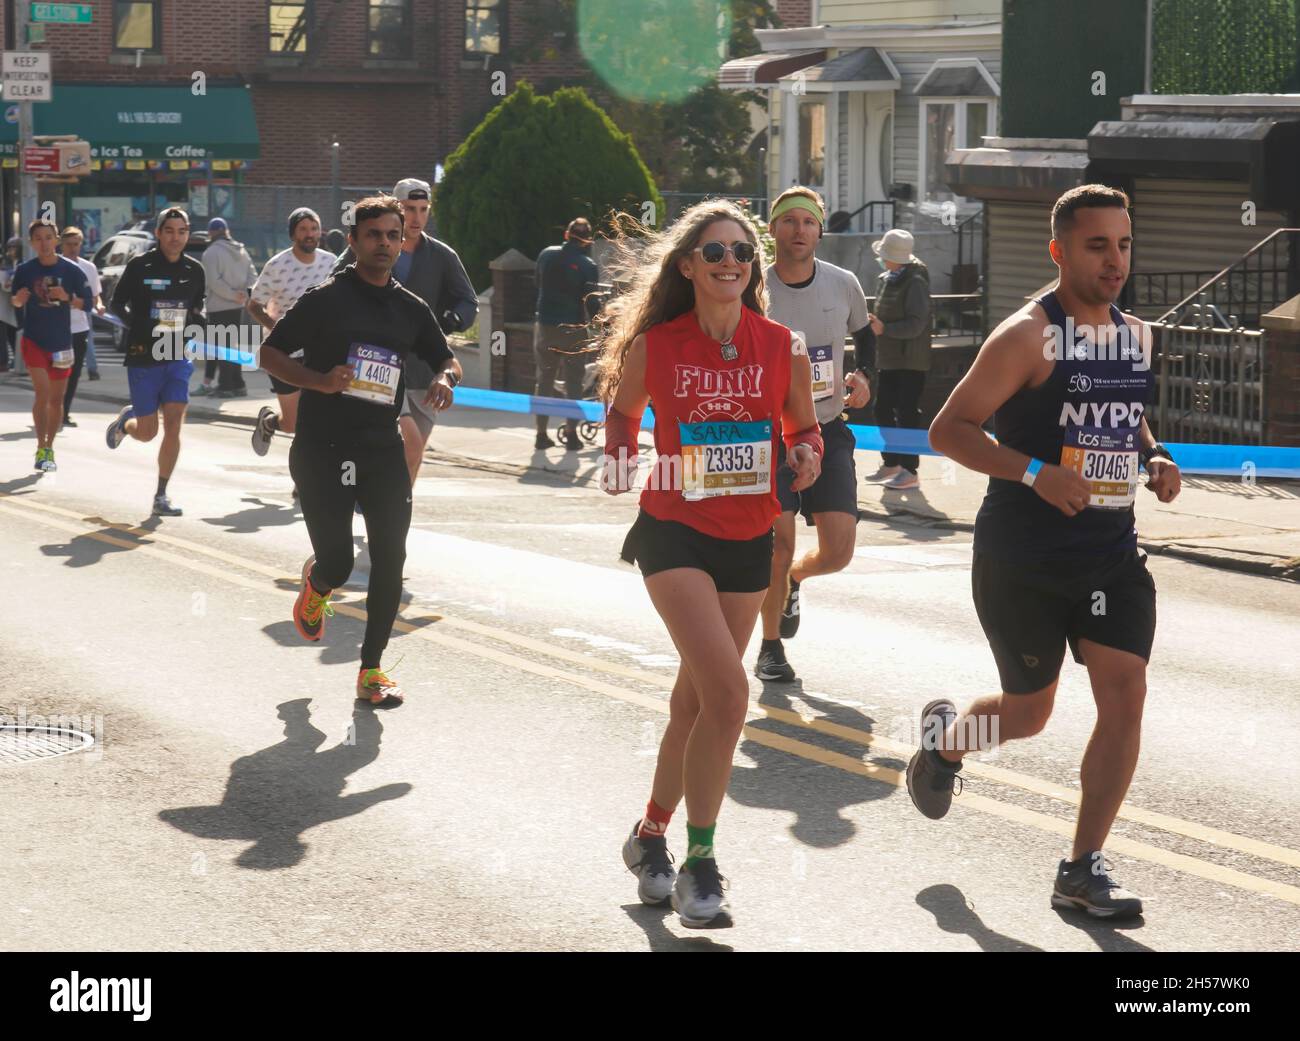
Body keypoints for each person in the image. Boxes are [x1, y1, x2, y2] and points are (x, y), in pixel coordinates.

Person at [909, 184, 1182, 919]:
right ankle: (946, 746)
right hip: (1025, 554)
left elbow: (1125, 413)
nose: (1115, 261)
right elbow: (949, 428)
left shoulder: (1134, 333)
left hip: (1110, 551)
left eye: (1124, 244)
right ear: (1059, 249)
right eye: (1098, 246)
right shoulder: (1026, 335)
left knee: (1126, 693)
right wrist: (1034, 471)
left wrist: (1154, 456)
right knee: (1029, 714)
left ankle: (1081, 866)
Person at [598, 201, 821, 928]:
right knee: (729, 694)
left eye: (742, 252)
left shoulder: (780, 343)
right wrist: (623, 458)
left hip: (747, 537)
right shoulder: (657, 346)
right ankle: (701, 861)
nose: (731, 261)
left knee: (694, 704)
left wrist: (806, 452)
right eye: (715, 250)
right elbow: (625, 412)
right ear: (688, 265)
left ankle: (650, 834)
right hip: (673, 533)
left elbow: (803, 424)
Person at [259, 195, 462, 705]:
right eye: (374, 235)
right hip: (323, 448)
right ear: (353, 241)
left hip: (381, 450)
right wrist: (321, 381)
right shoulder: (326, 300)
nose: (385, 244)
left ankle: (370, 672)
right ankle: (318, 585)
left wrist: (443, 378)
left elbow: (447, 357)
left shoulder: (408, 308)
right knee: (339, 563)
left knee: (391, 558)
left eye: (394, 235)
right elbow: (270, 353)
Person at [755, 187, 875, 683]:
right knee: (777, 544)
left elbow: (867, 337)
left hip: (827, 426)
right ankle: (770, 646)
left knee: (840, 550)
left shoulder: (844, 283)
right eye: (789, 221)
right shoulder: (752, 287)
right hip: (768, 435)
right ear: (772, 230)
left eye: (808, 222)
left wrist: (866, 377)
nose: (798, 230)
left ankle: (796, 579)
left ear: (819, 231)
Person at [331, 179, 478, 486]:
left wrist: (450, 321)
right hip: (377, 366)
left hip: (424, 372)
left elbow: (469, 300)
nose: (417, 217)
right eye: (410, 209)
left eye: (424, 210)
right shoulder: (369, 246)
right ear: (395, 209)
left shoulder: (442, 255)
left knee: (413, 454)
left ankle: (392, 512)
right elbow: (334, 286)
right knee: (404, 444)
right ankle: (373, 499)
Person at [104, 207, 206, 516]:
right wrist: (139, 328)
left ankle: (161, 495)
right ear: (159, 233)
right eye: (170, 231)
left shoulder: (194, 270)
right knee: (148, 432)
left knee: (174, 424)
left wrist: (199, 323)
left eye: (182, 232)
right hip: (143, 356)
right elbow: (116, 304)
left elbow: (195, 309)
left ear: (188, 235)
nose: (176, 238)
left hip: (177, 356)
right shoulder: (140, 265)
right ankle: (127, 422)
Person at [247, 208, 337, 481]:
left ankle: (304, 482)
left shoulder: (332, 263)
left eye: (314, 228)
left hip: (321, 353)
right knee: (292, 423)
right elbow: (254, 305)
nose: (310, 234)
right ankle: (271, 422)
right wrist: (280, 330)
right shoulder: (277, 265)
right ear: (293, 234)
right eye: (303, 229)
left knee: (316, 423)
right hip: (283, 354)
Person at [11, 220, 93, 471]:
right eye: (39, 238)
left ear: (56, 240)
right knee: (43, 393)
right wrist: (18, 300)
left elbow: (87, 304)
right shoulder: (25, 270)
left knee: (57, 400)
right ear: (32, 242)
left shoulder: (72, 271)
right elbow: (15, 300)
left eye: (48, 237)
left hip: (62, 342)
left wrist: (67, 297)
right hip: (34, 339)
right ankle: (40, 447)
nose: (44, 243)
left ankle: (49, 447)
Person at [863, 228, 932, 491]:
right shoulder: (886, 277)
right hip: (890, 357)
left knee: (906, 414)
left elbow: (917, 324)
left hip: (911, 359)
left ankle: (909, 470)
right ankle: (892, 462)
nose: (880, 258)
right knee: (882, 409)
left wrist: (885, 329)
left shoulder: (916, 282)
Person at [534, 217, 600, 451]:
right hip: (574, 329)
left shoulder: (545, 255)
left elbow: (538, 283)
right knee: (574, 382)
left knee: (544, 379)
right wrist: (600, 325)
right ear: (587, 240)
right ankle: (572, 434)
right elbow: (591, 303)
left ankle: (541, 434)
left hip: (546, 327)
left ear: (566, 235)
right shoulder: (587, 265)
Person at [197, 217, 257, 398]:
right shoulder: (243, 251)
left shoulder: (211, 253)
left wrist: (232, 294)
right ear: (227, 231)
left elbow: (214, 283)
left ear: (211, 233)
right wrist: (243, 295)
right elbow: (253, 277)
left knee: (221, 347)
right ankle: (238, 384)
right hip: (239, 307)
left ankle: (225, 386)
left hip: (218, 307)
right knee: (232, 347)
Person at [58, 227, 106, 427]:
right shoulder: (55, 265)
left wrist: (100, 305)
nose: (72, 248)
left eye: (76, 244)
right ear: (61, 245)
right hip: (57, 328)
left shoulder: (89, 267)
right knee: (58, 373)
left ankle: (64, 413)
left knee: (74, 372)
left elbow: (95, 295)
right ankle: (54, 409)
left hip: (80, 328)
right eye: (69, 244)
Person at [0, 236, 23, 372]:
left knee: (17, 332)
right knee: (9, 333)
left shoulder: (21, 263)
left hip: (18, 304)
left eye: (14, 247)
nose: (11, 250)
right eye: (9, 247)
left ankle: (19, 360)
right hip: (7, 304)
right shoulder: (6, 263)